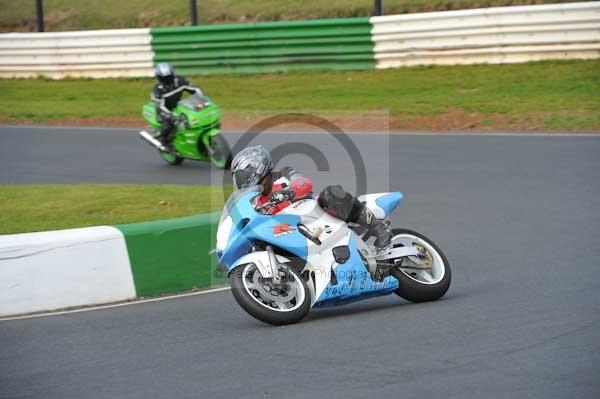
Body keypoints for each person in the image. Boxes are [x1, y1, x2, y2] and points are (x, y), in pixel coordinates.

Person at [230, 145, 391, 249]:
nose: (241, 179)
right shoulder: (256, 201)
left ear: (256, 167)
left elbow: (304, 183)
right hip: (292, 233)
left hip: (317, 217)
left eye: (242, 174)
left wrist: (288, 191)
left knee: (330, 193)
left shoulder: (283, 174)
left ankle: (379, 228)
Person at [151, 63, 203, 150]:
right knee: (169, 124)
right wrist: (172, 115)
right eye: (164, 78)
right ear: (159, 78)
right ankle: (163, 140)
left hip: (178, 106)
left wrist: (201, 98)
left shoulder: (179, 80)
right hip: (164, 111)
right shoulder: (157, 90)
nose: (167, 80)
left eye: (168, 77)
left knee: (192, 117)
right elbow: (160, 106)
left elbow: (194, 89)